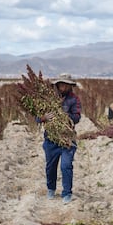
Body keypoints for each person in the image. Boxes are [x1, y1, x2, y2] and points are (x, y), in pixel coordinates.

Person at [37, 73, 81, 204]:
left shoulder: (74, 100)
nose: (63, 86)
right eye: (61, 84)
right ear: (57, 85)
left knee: (66, 166)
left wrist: (65, 116)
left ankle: (67, 193)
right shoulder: (48, 99)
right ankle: (51, 189)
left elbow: (77, 117)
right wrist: (44, 118)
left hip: (67, 139)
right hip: (51, 139)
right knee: (51, 166)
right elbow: (37, 117)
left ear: (70, 86)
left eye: (66, 84)